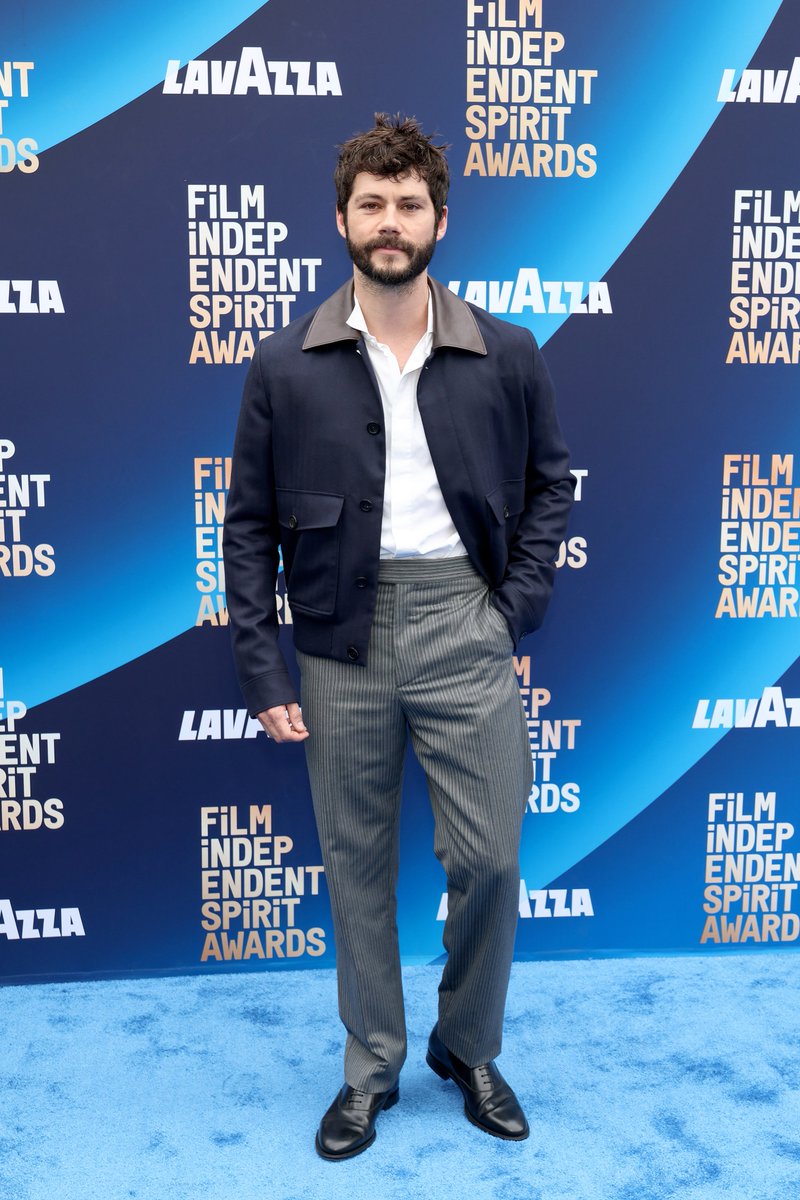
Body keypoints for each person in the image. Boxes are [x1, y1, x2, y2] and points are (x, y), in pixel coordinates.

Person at [223, 113, 574, 1160]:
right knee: (355, 864)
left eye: (407, 205)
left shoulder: (504, 351)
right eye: (370, 204)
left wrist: (508, 611)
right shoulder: (285, 363)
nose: (388, 222)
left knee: (492, 860)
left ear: (439, 220)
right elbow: (244, 525)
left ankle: (465, 1047)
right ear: (340, 219)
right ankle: (368, 1067)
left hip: (464, 621)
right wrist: (261, 661)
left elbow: (549, 487)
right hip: (339, 636)